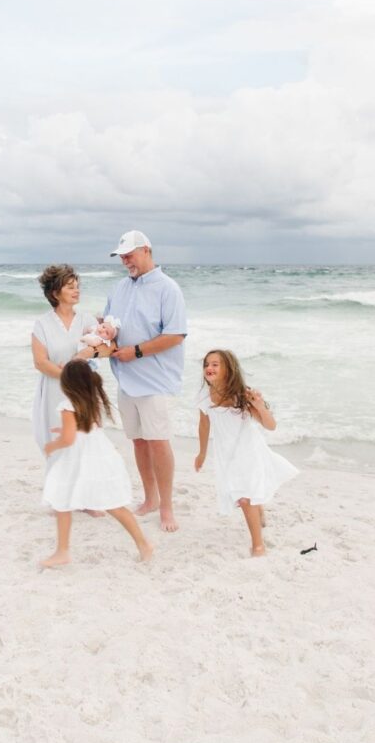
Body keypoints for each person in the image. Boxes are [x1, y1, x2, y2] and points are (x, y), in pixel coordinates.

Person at [106, 230, 187, 532]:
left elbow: (176, 334)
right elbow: (109, 324)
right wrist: (105, 333)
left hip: (156, 381)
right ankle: (150, 498)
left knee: (158, 442)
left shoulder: (168, 289)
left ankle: (166, 506)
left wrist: (137, 351)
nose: (125, 260)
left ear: (147, 251)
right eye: (122, 256)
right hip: (126, 379)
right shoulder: (119, 289)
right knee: (139, 441)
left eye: (129, 254)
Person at [41, 360, 153, 568]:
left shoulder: (67, 405)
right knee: (114, 505)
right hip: (99, 455)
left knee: (62, 502)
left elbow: (68, 440)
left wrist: (53, 446)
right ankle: (143, 544)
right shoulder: (91, 399)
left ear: (66, 383)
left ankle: (62, 551)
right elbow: (86, 428)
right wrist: (65, 432)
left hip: (79, 460)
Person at [194, 349, 297, 556]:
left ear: (229, 369)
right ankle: (259, 510)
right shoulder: (204, 396)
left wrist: (259, 405)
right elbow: (204, 425)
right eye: (207, 364)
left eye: (216, 364)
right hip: (226, 454)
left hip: (248, 452)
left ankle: (258, 545)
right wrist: (202, 453)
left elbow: (271, 426)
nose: (209, 368)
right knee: (246, 494)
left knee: (244, 497)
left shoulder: (242, 396)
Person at [31, 264, 115, 517]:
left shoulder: (87, 320)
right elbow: (40, 362)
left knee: (85, 440)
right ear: (55, 292)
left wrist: (88, 352)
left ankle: (87, 499)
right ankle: (60, 498)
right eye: (70, 286)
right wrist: (68, 375)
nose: (76, 289)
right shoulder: (42, 324)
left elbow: (107, 348)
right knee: (59, 439)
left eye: (77, 285)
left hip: (84, 392)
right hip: (55, 390)